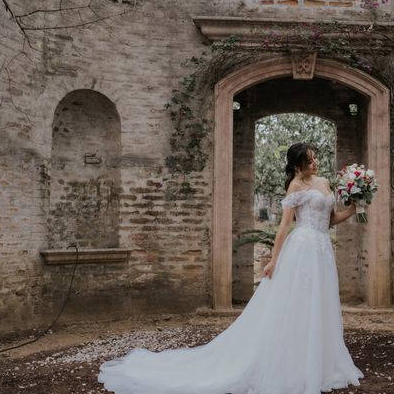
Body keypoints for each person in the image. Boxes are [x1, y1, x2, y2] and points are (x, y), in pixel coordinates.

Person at [98, 142, 365, 394]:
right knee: (296, 305)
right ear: (297, 166)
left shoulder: (325, 182)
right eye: (310, 160)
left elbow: (330, 221)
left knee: (320, 304)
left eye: (315, 158)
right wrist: (273, 260)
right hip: (302, 249)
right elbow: (284, 227)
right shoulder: (295, 186)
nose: (315, 162)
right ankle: (294, 364)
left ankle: (320, 364)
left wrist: (353, 209)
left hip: (322, 250)